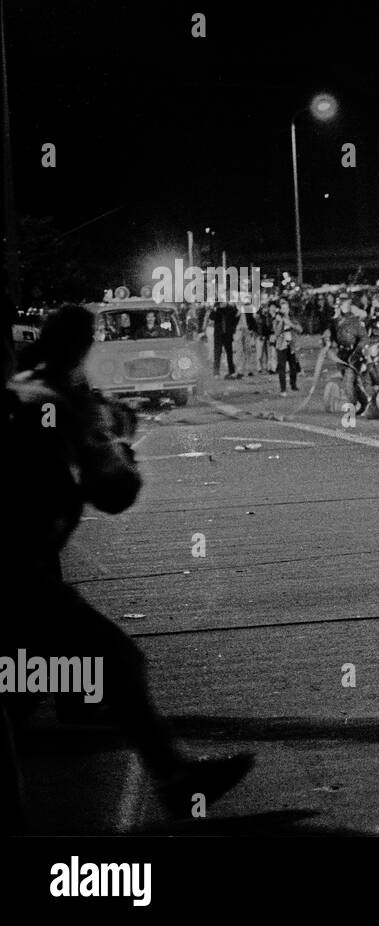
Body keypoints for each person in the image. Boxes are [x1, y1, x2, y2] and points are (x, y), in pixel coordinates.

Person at [1, 306, 253, 832]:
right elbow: (113, 490)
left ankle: (171, 778)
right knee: (109, 664)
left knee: (55, 682)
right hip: (18, 577)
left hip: (25, 573)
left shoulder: (29, 391)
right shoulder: (57, 406)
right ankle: (173, 782)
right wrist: (116, 443)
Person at [271, 300, 303, 396]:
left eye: (285, 308)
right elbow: (276, 333)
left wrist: (290, 323)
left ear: (288, 309)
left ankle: (293, 385)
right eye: (282, 308)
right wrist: (281, 322)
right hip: (281, 345)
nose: (284, 310)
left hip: (291, 345)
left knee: (293, 366)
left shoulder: (292, 319)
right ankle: (283, 389)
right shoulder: (276, 320)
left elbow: (300, 329)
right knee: (282, 367)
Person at [211, 302, 238, 378]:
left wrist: (233, 306)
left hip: (227, 335)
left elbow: (235, 317)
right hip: (218, 335)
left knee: (229, 354)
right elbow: (211, 317)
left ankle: (231, 371)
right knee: (217, 354)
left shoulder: (230, 309)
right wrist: (215, 309)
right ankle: (216, 372)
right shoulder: (216, 309)